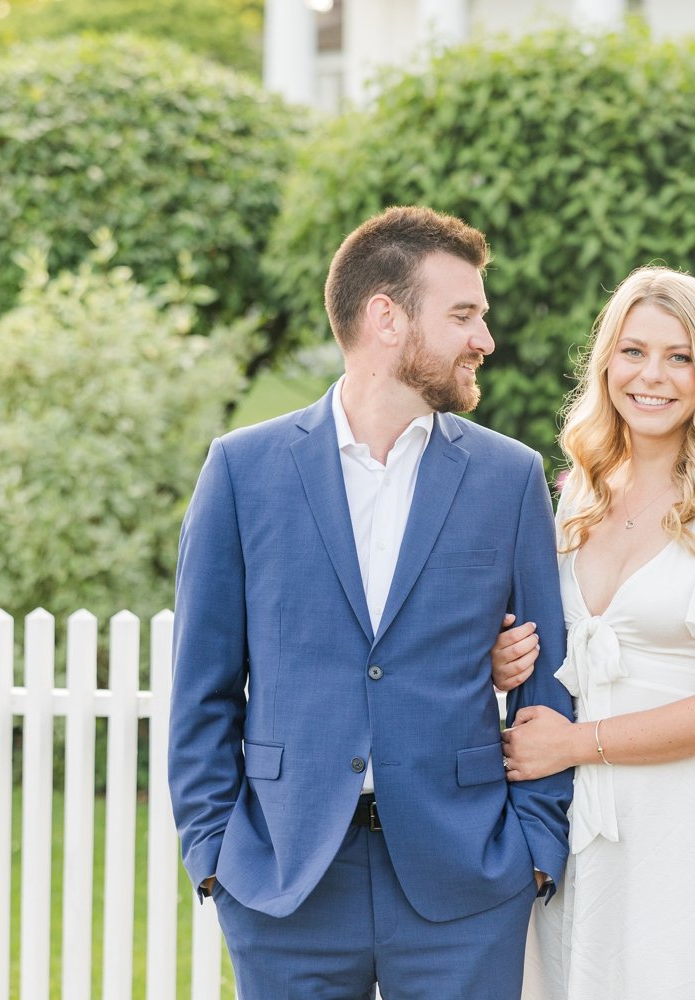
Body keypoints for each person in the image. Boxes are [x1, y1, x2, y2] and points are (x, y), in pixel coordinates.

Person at [168, 206, 574, 1000]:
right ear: (385, 317)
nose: (484, 339)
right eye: (463, 315)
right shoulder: (243, 470)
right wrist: (214, 857)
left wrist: (534, 848)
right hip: (286, 883)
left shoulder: (510, 477)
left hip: (465, 883)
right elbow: (201, 688)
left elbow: (544, 682)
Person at [493, 266, 695, 1000]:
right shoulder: (581, 494)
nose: (654, 376)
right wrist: (504, 657)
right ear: (605, 361)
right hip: (575, 822)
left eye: (680, 357)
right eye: (634, 351)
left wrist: (576, 744)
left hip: (682, 820)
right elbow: (551, 643)